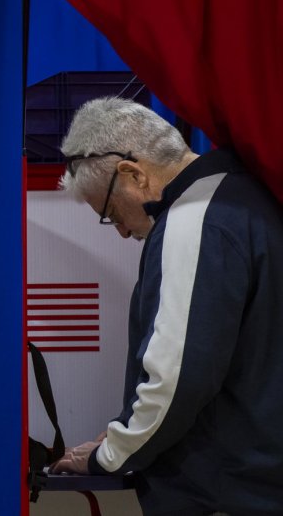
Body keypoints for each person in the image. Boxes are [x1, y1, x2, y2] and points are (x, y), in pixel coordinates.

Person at [49, 97, 283, 515]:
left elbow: (177, 377)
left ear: (133, 173)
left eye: (111, 211)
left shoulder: (194, 222)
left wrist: (111, 454)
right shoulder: (246, 196)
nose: (121, 232)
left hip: (222, 492)